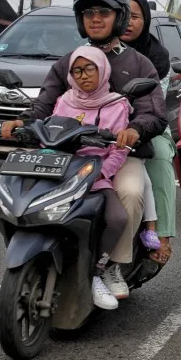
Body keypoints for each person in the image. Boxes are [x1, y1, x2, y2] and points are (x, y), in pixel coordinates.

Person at [0, 0, 167, 299]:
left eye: (104, 11)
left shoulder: (138, 63)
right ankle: (22, 264)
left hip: (118, 153)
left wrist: (135, 129)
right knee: (7, 197)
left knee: (129, 194)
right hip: (66, 152)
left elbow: (154, 113)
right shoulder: (68, 61)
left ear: (118, 17)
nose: (95, 18)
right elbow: (44, 105)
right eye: (88, 12)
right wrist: (22, 121)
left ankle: (113, 265)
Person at [51, 47, 132, 309]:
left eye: (89, 69)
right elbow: (52, 132)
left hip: (95, 173)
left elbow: (120, 150)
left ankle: (96, 271)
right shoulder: (64, 100)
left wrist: (102, 172)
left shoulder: (117, 104)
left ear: (102, 70)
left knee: (117, 218)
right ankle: (24, 268)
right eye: (77, 70)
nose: (83, 76)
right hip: (63, 171)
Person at [120, 0, 175, 265]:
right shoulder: (95, 51)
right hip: (101, 128)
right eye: (124, 15)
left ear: (146, 20)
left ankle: (162, 233)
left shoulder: (157, 57)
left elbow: (155, 106)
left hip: (149, 127)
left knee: (161, 157)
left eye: (136, 16)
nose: (128, 22)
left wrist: (133, 126)